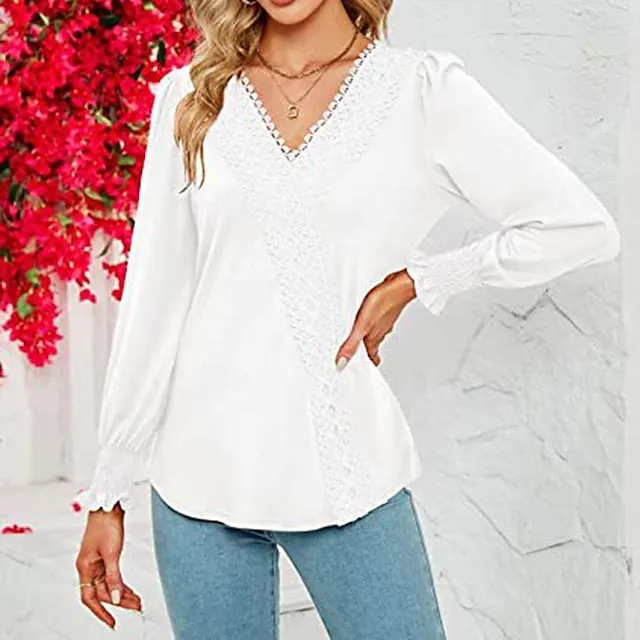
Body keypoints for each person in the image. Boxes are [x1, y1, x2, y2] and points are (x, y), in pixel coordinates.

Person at [74, 0, 622, 637]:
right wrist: (109, 490)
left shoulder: (420, 93)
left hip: (343, 478)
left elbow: (578, 225)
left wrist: (420, 280)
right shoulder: (193, 96)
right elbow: (155, 298)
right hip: (196, 482)